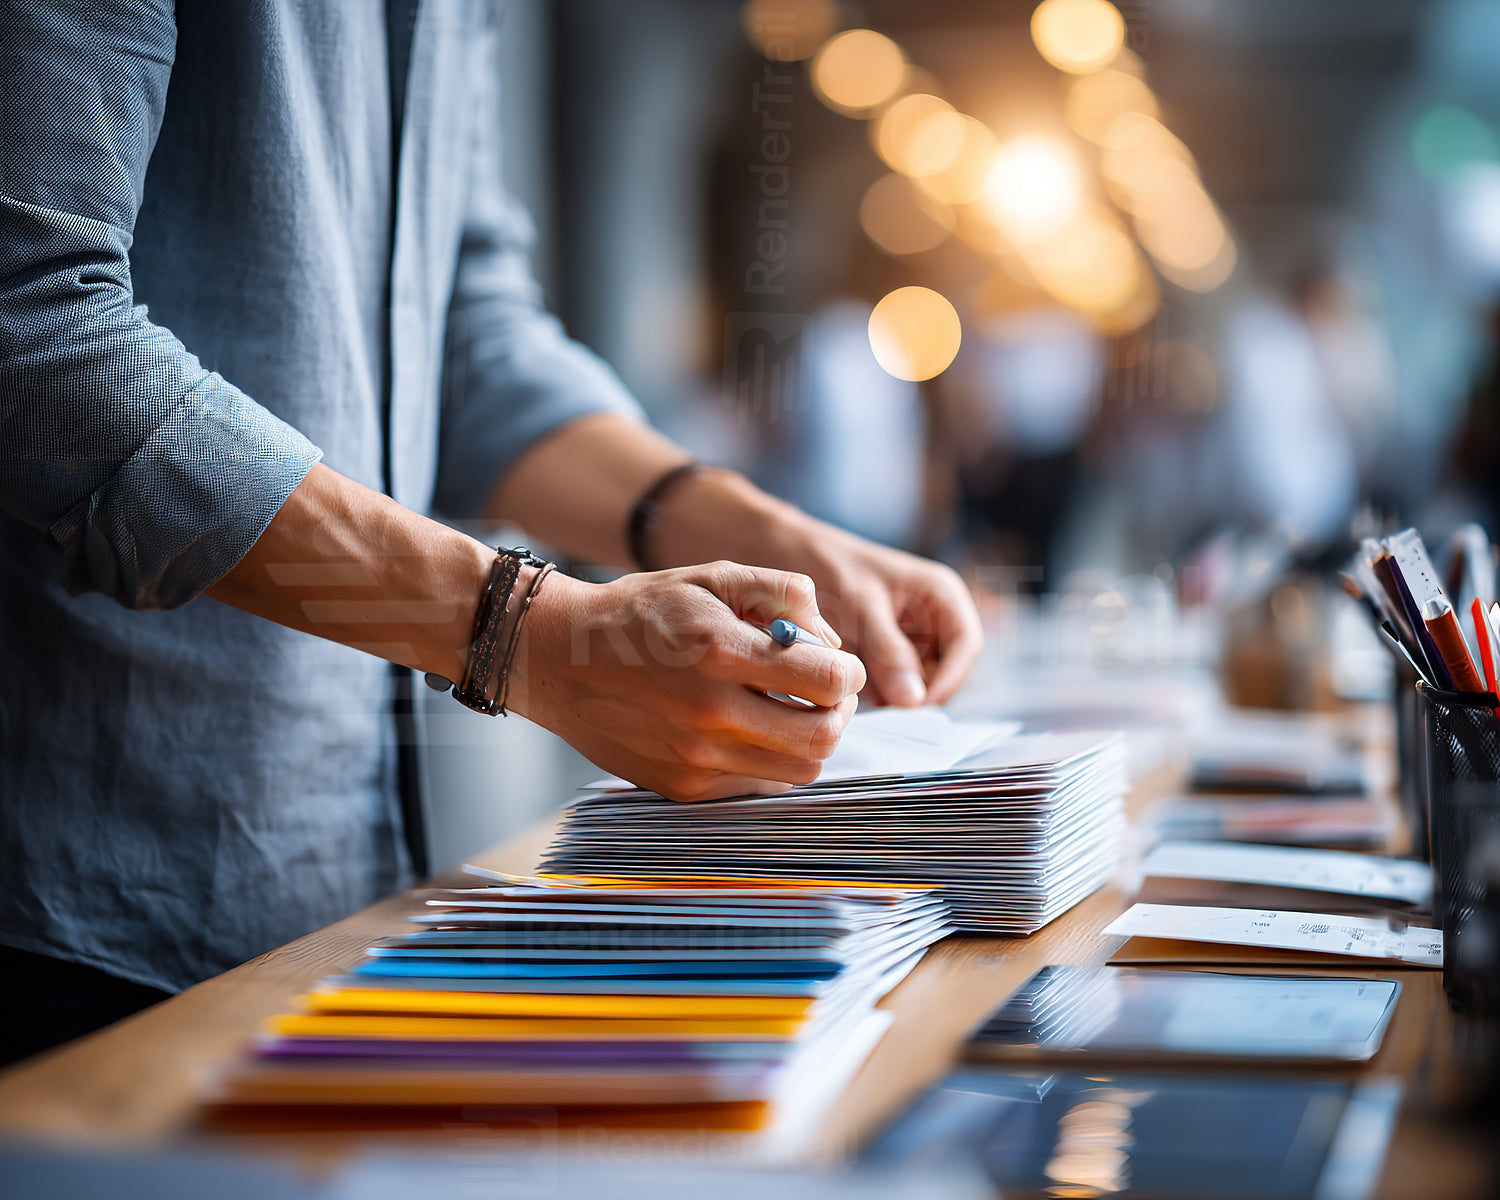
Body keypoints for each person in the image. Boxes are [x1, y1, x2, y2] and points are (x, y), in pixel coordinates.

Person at [0, 1, 982, 1067]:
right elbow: (34, 330)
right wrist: (527, 637)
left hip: (334, 884)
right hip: (62, 892)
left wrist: (765, 528)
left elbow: (467, 334)